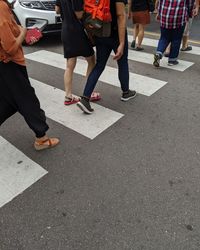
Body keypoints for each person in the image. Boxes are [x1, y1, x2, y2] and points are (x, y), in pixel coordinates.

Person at [0, 0, 59, 150]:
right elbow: (10, 47)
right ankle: (42, 139)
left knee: (9, 102)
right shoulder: (0, 6)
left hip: (5, 64)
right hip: (9, 64)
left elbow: (10, 30)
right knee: (28, 100)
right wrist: (24, 32)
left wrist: (20, 31)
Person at [77, 0, 137, 114]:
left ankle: (85, 98)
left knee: (99, 65)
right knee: (122, 62)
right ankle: (126, 92)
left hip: (100, 32)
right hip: (116, 34)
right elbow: (120, 16)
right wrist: (122, 43)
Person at [55, 0, 100, 105]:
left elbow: (57, 10)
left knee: (69, 65)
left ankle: (68, 96)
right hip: (78, 31)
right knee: (91, 60)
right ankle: (89, 92)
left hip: (66, 30)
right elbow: (79, 15)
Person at [153, 0, 195, 67]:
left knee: (164, 37)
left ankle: (159, 53)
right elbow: (190, 3)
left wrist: (159, 13)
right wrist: (189, 14)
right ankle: (172, 60)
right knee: (176, 39)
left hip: (165, 15)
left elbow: (160, 2)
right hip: (179, 17)